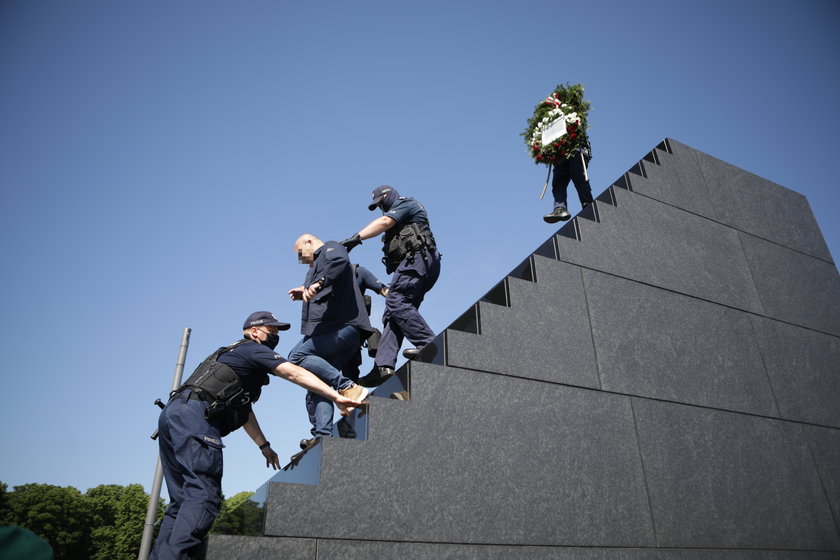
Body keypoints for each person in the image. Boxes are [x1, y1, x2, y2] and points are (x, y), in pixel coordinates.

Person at [150, 311, 364, 560]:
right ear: (254, 332)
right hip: (195, 417)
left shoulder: (227, 354)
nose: (276, 337)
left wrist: (264, 446)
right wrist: (336, 393)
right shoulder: (253, 349)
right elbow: (293, 371)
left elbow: (244, 410)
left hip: (174, 416)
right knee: (203, 496)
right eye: (272, 332)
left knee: (181, 500)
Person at [340, 185, 441, 387]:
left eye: (381, 202)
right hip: (418, 263)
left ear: (389, 195)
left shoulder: (406, 203)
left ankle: (429, 345)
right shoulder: (399, 210)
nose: (381, 207)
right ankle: (383, 367)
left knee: (396, 300)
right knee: (393, 312)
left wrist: (355, 238)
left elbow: (385, 221)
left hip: (418, 259)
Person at [288, 235, 373, 442]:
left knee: (294, 359)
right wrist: (305, 289)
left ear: (309, 242)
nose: (302, 259)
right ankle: (322, 436)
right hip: (334, 336)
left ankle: (348, 387)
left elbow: (339, 262)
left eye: (301, 254)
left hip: (343, 329)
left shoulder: (330, 249)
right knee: (320, 384)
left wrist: (318, 284)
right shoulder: (316, 268)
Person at [543, 140, 593, 223]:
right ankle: (560, 208)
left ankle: (588, 202)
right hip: (559, 154)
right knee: (558, 181)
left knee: (577, 173)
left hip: (576, 150)